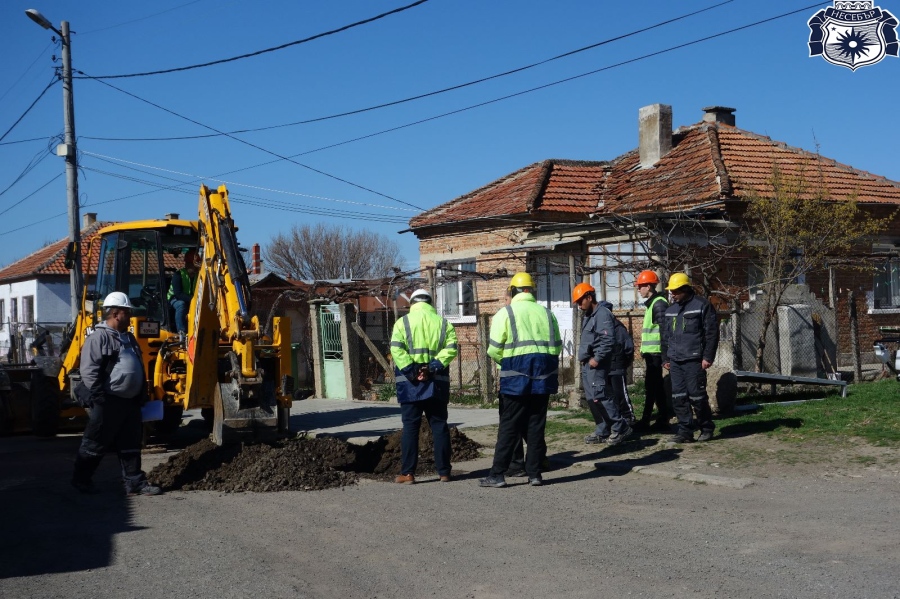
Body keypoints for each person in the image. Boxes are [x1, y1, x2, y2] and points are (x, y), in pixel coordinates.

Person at [71, 292, 162, 496]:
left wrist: (141, 391)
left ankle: (135, 482)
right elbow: (88, 369)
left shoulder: (128, 337)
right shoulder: (99, 337)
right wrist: (97, 395)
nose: (130, 315)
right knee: (95, 443)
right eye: (127, 311)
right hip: (108, 400)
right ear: (115, 313)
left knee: (131, 443)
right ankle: (81, 480)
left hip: (129, 402)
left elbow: (138, 363)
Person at [479, 272, 561, 488]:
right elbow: (556, 348)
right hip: (543, 377)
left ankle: (497, 474)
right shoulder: (547, 313)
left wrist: (506, 364)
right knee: (536, 426)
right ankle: (534, 474)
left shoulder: (505, 313)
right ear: (531, 290)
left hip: (515, 377)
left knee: (509, 426)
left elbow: (494, 350)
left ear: (513, 291)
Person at [390, 288, 458, 484]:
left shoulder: (402, 323)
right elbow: (451, 348)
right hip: (436, 382)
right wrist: (432, 368)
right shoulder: (443, 323)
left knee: (411, 428)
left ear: (412, 304)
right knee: (439, 426)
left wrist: (413, 371)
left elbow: (396, 349)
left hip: (410, 384)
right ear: (430, 303)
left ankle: (408, 473)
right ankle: (444, 472)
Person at [573, 283, 633, 446]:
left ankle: (620, 427)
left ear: (589, 297)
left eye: (580, 301)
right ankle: (603, 428)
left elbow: (607, 340)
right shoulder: (589, 315)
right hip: (588, 363)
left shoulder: (602, 314)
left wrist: (597, 358)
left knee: (601, 395)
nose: (579, 305)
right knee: (593, 399)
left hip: (596, 363)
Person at [662, 273, 719, 443]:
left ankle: (706, 428)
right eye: (671, 291)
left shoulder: (702, 305)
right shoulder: (670, 310)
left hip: (694, 360)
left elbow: (711, 333)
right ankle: (685, 431)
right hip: (675, 361)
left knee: (697, 397)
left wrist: (708, 357)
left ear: (686, 289)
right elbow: (665, 336)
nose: (673, 294)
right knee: (678, 397)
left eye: (676, 291)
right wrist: (666, 357)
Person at [635, 270, 671, 432]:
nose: (638, 289)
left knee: (652, 388)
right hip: (652, 354)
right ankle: (662, 419)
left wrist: (665, 356)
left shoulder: (659, 303)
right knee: (655, 388)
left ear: (648, 286)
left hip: (656, 354)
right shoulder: (654, 303)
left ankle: (647, 420)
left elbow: (665, 331)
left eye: (640, 286)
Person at [598, 300, 636, 426]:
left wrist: (623, 363)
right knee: (609, 397)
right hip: (605, 368)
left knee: (620, 395)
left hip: (617, 367)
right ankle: (615, 421)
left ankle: (629, 418)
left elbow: (628, 348)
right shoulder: (599, 327)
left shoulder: (618, 328)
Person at [168, 248, 200, 334]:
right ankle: (181, 331)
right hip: (173, 299)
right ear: (188, 264)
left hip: (190, 299)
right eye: (194, 265)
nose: (196, 268)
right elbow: (178, 294)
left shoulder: (199, 276)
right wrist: (194, 299)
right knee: (181, 305)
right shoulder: (178, 275)